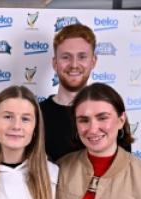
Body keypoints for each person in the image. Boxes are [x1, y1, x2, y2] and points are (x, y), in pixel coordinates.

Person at [40, 23, 98, 162]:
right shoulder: (36, 115)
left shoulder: (108, 116)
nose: (74, 65)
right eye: (66, 57)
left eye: (82, 57)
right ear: (55, 63)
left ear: (93, 62)